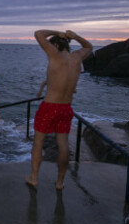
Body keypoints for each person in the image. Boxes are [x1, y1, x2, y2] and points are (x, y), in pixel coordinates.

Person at [25, 29, 93, 190]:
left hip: (49, 106)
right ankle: (60, 182)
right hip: (66, 108)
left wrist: (60, 33)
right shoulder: (77, 58)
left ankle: (34, 178)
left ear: (55, 45)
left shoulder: (54, 55)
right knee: (63, 145)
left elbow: (38, 34)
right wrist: (74, 36)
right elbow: (89, 46)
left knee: (38, 143)